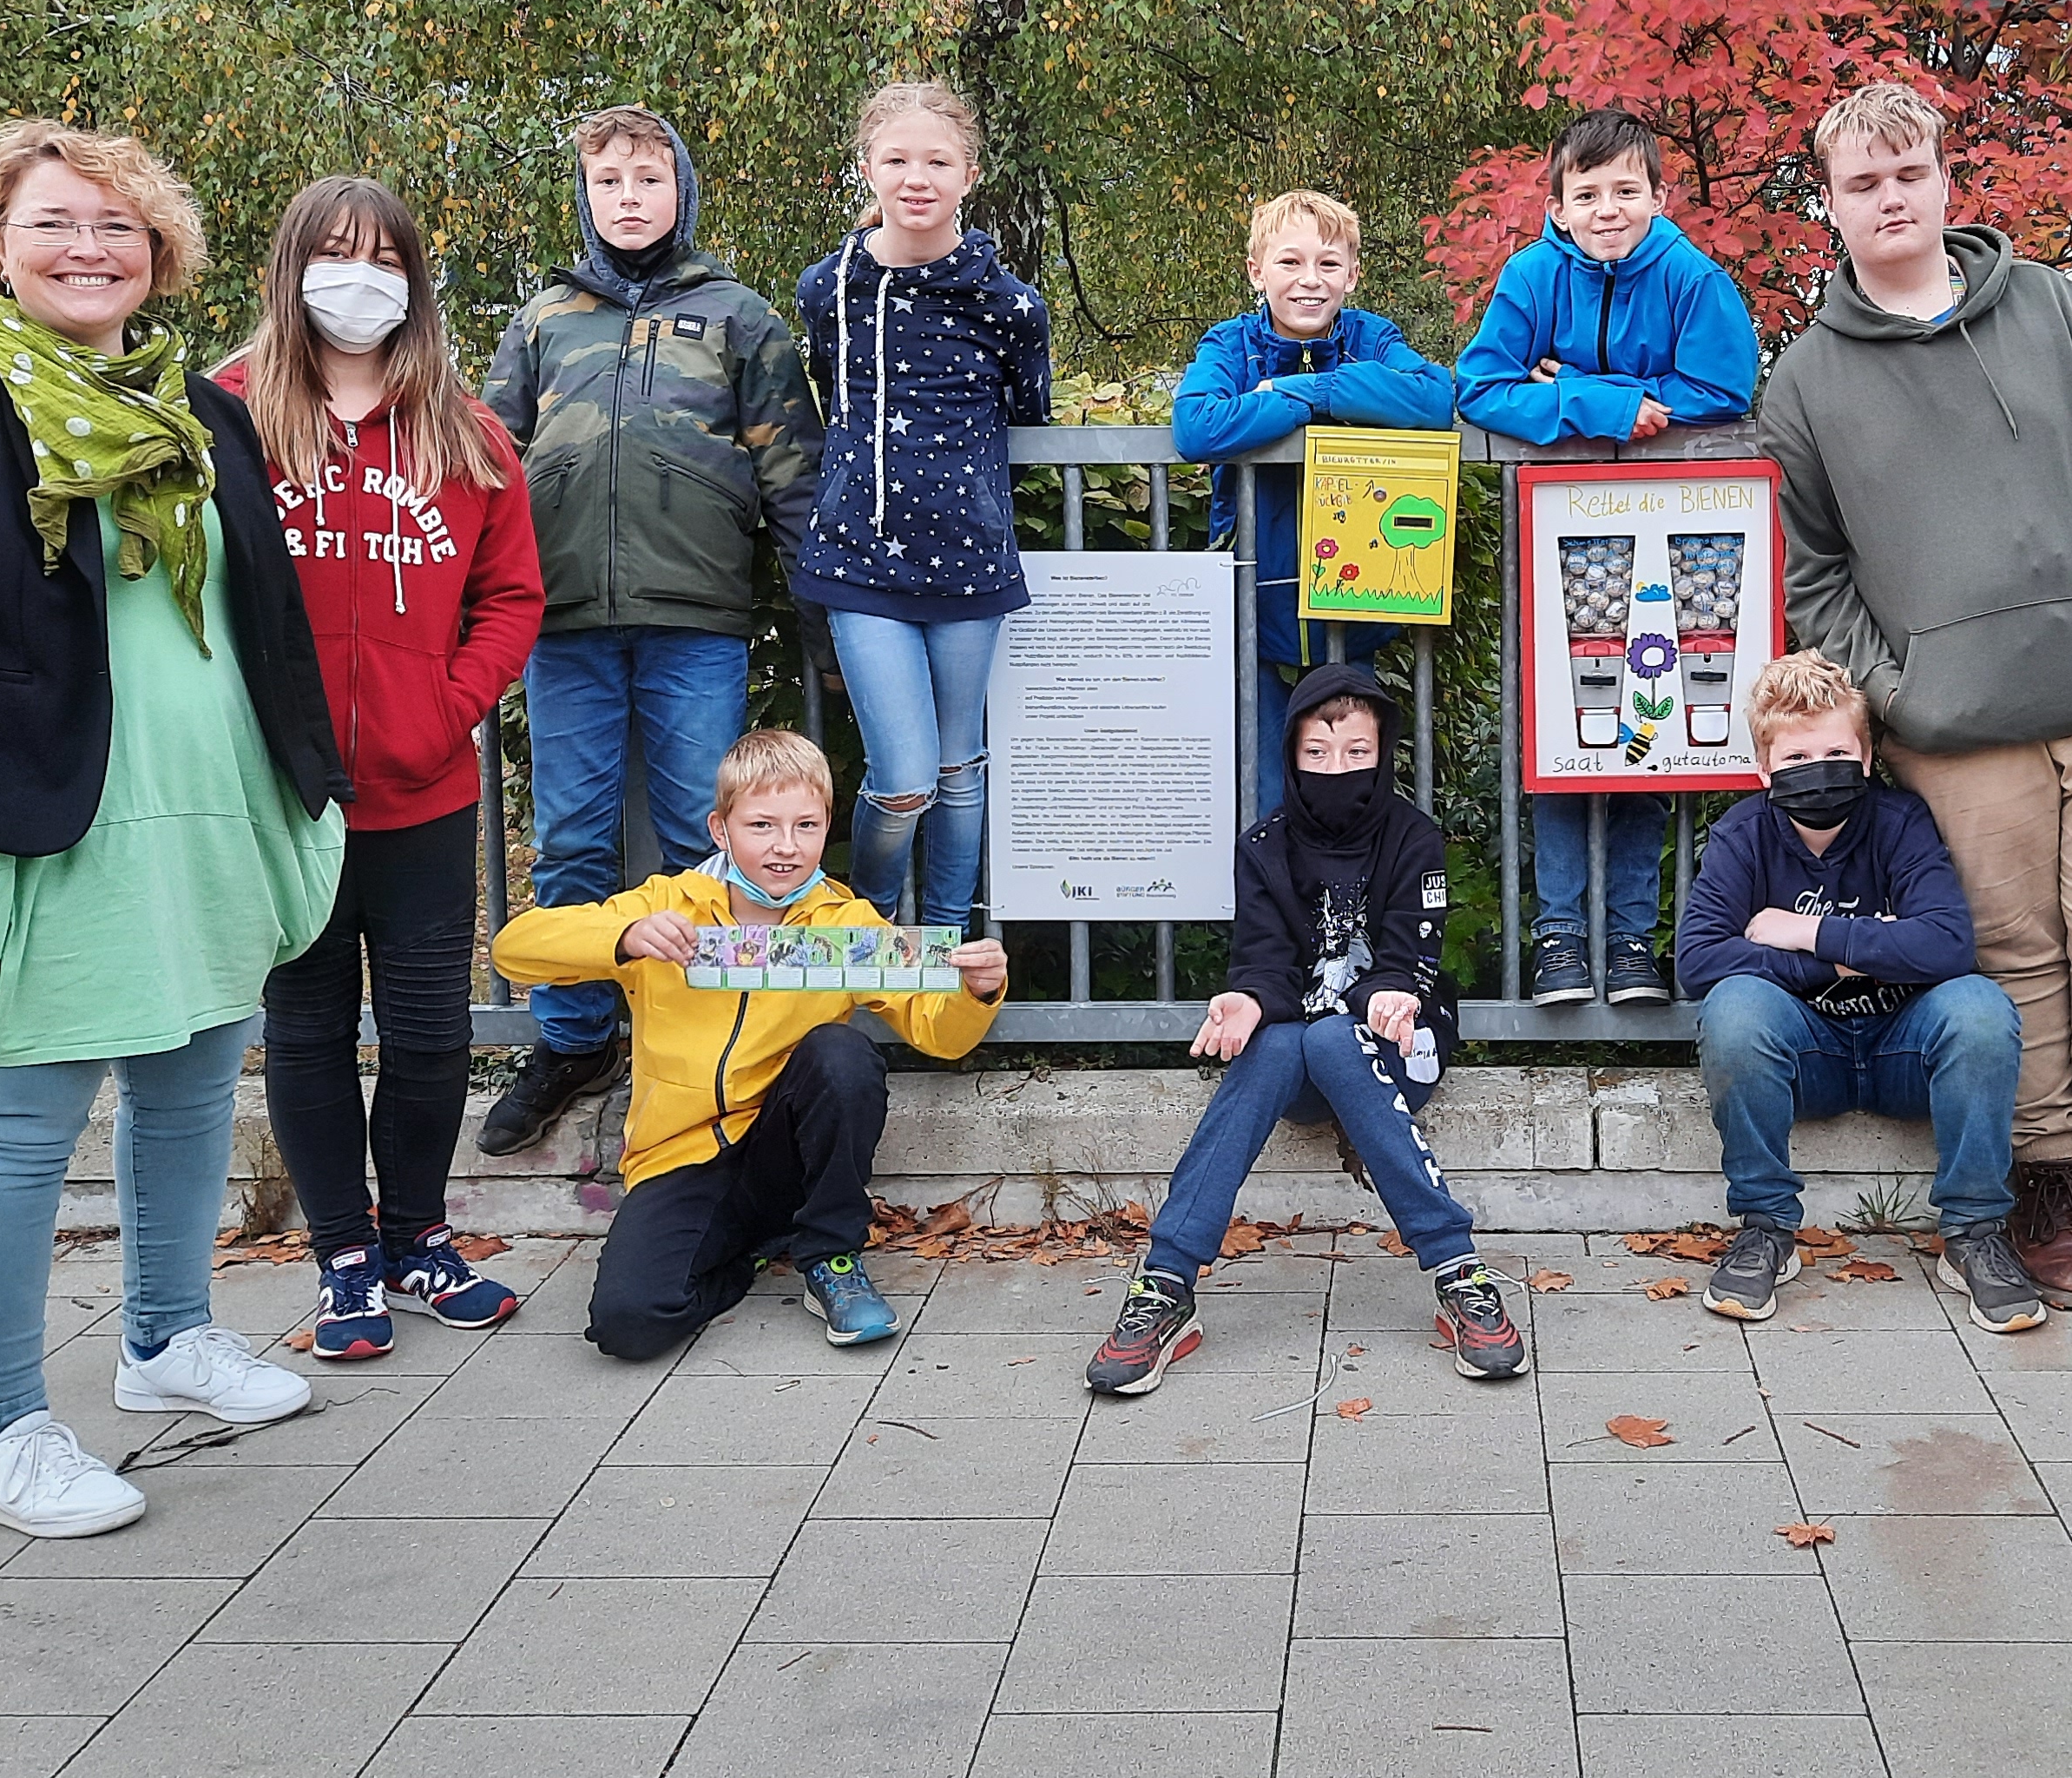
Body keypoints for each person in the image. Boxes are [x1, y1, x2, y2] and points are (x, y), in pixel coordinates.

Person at [0, 118, 349, 1539]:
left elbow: (266, 620)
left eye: (118, 227)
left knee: (187, 1090)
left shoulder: (205, 410)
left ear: (159, 254)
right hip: (28, 823)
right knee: (15, 1124)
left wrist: (309, 791)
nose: (88, 248)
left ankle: (166, 1341)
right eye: (54, 221)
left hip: (203, 819)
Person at [1757, 82, 2072, 1311]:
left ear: (1945, 180)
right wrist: (1899, 692)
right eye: (1863, 182)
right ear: (1832, 204)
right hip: (1955, 731)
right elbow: (1816, 573)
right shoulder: (1803, 382)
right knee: (2015, 958)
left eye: (1909, 172)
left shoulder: (2058, 312)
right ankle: (2050, 1192)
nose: (1890, 197)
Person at [217, 177, 543, 1360]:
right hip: (283, 796)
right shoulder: (229, 418)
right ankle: (343, 1257)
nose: (359, 279)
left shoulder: (464, 428)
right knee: (305, 1028)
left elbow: (511, 595)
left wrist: (448, 707)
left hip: (424, 789)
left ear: (414, 280)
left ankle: (418, 1236)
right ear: (291, 267)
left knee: (426, 1033)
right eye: (335, 254)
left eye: (384, 259)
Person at [476, 103, 825, 1156]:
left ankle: (700, 1035)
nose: (629, 198)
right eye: (609, 182)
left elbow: (792, 472)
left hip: (697, 621)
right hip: (566, 622)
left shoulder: (740, 319)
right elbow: (489, 464)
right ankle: (575, 1037)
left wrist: (823, 622)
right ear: (585, 199)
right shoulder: (543, 320)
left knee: (703, 837)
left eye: (649, 178)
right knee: (574, 836)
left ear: (683, 189)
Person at [491, 728, 1009, 1360]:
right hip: (679, 1157)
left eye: (807, 827)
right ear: (721, 830)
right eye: (762, 826)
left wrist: (977, 991)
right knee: (629, 1324)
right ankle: (758, 1249)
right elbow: (515, 950)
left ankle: (830, 1257)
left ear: (826, 829)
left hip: (780, 1151)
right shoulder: (666, 905)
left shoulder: (846, 922)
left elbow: (938, 1035)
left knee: (841, 1053)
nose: (786, 848)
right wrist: (624, 936)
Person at [1088, 662, 1526, 1393]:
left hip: (1398, 1042)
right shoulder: (1265, 846)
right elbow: (1264, 961)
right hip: (1301, 1050)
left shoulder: (1414, 838)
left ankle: (1457, 1269)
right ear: (1292, 754)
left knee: (1326, 1035)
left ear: (1382, 753)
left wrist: (1389, 997)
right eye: (1317, 754)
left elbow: (1410, 956)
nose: (1337, 768)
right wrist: (1249, 1000)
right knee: (1289, 1037)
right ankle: (1166, 1285)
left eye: (1356, 752)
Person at [1452, 107, 1759, 1006]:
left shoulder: (1693, 279)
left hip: (1672, 532)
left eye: (1627, 191)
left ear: (1660, 197)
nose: (1607, 208)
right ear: (1555, 204)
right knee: (1564, 734)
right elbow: (1480, 384)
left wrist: (1586, 388)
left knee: (1648, 729)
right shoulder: (1530, 275)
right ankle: (1557, 936)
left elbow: (1723, 386)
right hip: (1566, 534)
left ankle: (1630, 938)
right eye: (1586, 194)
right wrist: (1595, 406)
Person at [1678, 654, 2042, 1332]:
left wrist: (1805, 933)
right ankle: (1766, 1227)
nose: (1819, 768)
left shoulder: (1900, 822)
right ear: (1764, 769)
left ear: (1867, 757)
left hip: (1904, 1053)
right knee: (1733, 1009)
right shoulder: (1742, 834)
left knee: (1979, 1010)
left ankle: (1973, 1235)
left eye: (1837, 751)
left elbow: (1946, 947)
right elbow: (1699, 961)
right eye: (1797, 756)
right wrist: (1853, 956)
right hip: (1804, 1061)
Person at [789, 79, 1055, 927]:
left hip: (970, 566)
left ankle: (941, 948)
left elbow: (1027, 413)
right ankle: (862, 929)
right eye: (897, 158)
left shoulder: (1012, 307)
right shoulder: (825, 290)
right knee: (902, 779)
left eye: (936, 160)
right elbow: (833, 396)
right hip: (860, 564)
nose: (916, 176)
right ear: (866, 167)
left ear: (969, 174)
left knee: (957, 769)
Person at [1172, 188, 1455, 813]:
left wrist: (1312, 391)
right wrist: (1307, 403)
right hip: (1257, 605)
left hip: (1354, 611)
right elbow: (1197, 427)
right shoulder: (1232, 344)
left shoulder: (1371, 338)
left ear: (1352, 275)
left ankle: (1349, 909)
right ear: (1256, 271)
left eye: (1329, 264)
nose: (1310, 280)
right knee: (1265, 793)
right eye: (1290, 262)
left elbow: (1434, 399)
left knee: (1351, 790)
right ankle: (1273, 912)